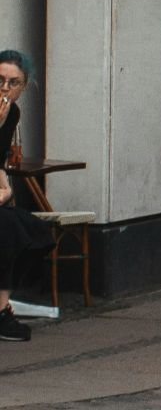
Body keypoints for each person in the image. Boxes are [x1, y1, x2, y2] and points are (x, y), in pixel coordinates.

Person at [0, 50, 54, 341]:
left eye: (13, 83)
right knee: (8, 228)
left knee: (35, 231)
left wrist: (6, 190)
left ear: (23, 86)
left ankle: (2, 304)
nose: (5, 89)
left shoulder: (12, 113)